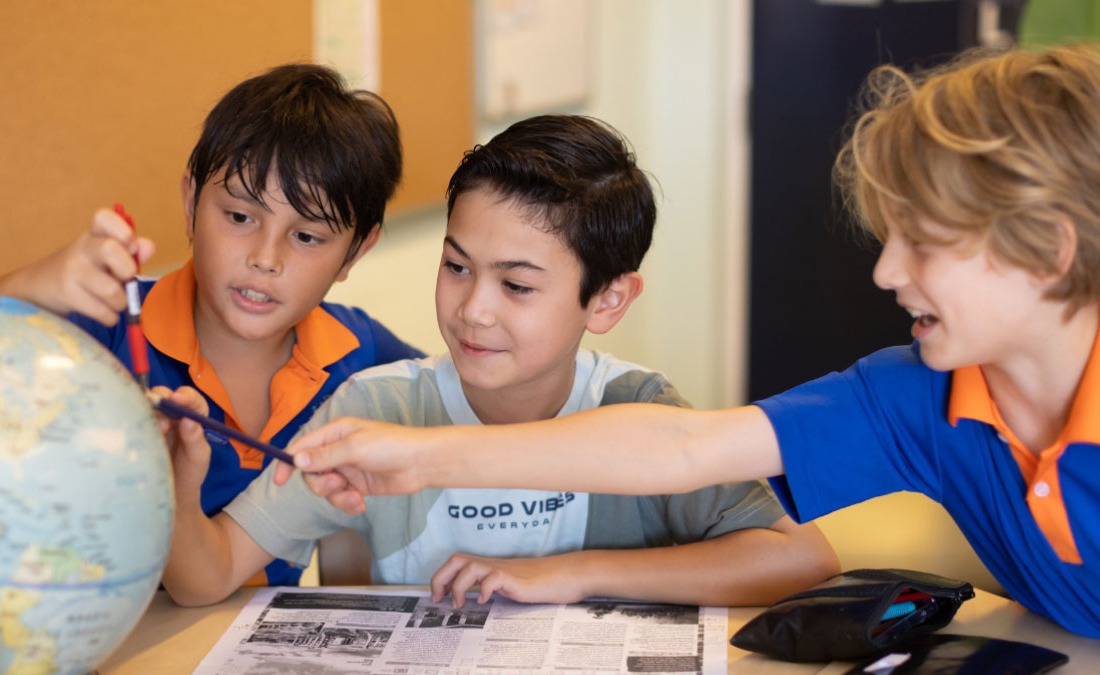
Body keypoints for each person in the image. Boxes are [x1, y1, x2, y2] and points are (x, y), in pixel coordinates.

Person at [283, 44, 1100, 663]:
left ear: (1049, 252)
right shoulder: (919, 395)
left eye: (924, 242)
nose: (887, 271)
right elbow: (684, 446)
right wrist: (424, 456)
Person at [160, 114, 840, 608]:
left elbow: (802, 558)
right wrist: (179, 490)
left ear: (607, 300)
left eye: (516, 285)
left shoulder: (638, 410)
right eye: (456, 267)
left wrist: (577, 573)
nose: (474, 311)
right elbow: (206, 577)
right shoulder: (377, 409)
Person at [0, 64, 422, 586]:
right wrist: (32, 285)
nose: (265, 258)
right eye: (239, 217)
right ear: (191, 203)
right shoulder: (105, 323)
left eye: (307, 237)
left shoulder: (359, 353)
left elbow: (479, 410)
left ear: (355, 252)